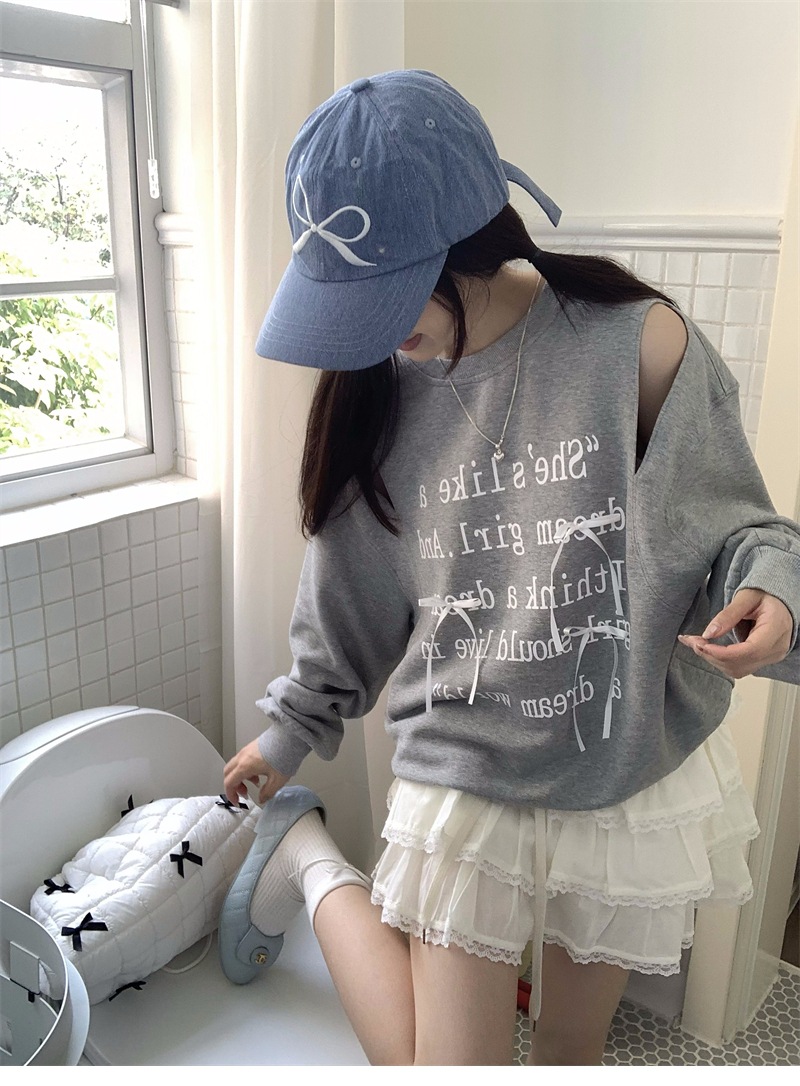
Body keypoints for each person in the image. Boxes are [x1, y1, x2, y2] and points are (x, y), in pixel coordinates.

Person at [219, 69, 800, 1066]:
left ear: (470, 239)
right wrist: (292, 728)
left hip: (618, 760)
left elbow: (730, 529)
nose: (377, 331)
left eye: (391, 292)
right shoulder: (378, 389)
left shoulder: (636, 342)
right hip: (464, 762)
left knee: (570, 1050)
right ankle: (309, 861)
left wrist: (771, 588)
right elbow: (348, 592)